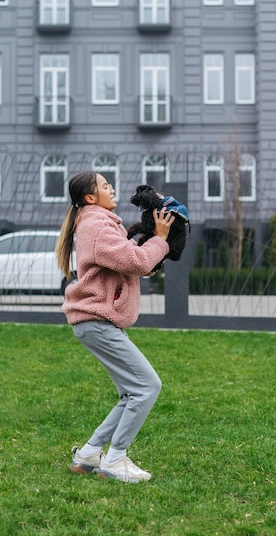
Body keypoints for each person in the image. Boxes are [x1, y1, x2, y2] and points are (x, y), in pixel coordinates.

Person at [55, 171, 175, 484]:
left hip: (98, 322)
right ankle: (115, 458)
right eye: (104, 185)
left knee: (130, 392)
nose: (112, 188)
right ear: (90, 198)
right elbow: (135, 261)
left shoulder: (101, 223)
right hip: (96, 321)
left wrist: (150, 250)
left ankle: (90, 453)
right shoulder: (96, 224)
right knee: (148, 386)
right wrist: (160, 240)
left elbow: (129, 264)